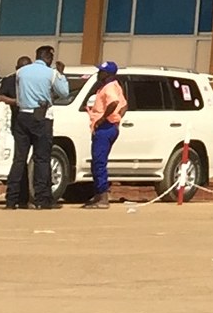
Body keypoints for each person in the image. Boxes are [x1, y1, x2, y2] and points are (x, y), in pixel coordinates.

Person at [8, 43, 72, 210]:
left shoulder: (21, 72)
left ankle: (12, 199)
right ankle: (42, 199)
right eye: (51, 57)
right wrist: (61, 74)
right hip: (41, 116)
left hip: (22, 115)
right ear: (48, 57)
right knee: (42, 159)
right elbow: (64, 92)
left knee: (19, 158)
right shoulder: (51, 73)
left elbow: (18, 91)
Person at [81, 59, 127, 207]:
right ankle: (98, 194)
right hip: (109, 126)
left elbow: (113, 103)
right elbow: (124, 105)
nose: (99, 73)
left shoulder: (109, 88)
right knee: (97, 161)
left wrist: (103, 120)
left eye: (102, 71)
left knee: (99, 162)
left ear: (108, 74)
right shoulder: (113, 86)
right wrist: (117, 119)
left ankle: (103, 197)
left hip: (105, 128)